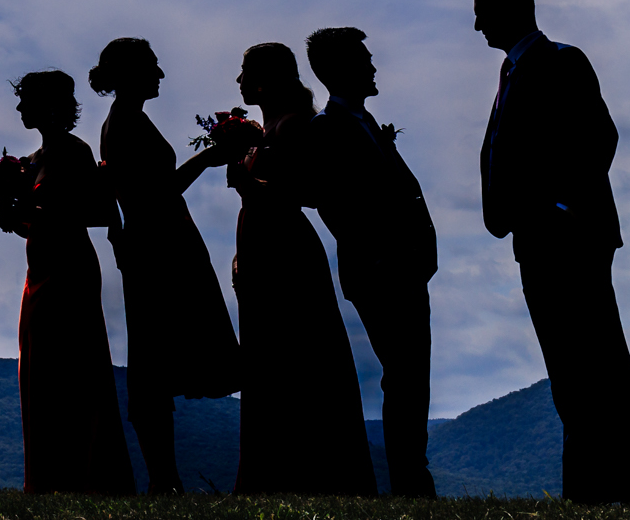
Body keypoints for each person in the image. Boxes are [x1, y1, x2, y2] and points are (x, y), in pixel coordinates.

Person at [474, 0, 630, 503]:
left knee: (593, 362)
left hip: (568, 237)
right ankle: (596, 486)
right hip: (535, 239)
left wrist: (564, 207)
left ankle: (624, 486)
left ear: (512, 10)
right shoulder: (510, 71)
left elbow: (598, 135)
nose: (476, 26)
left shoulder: (562, 60)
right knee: (570, 369)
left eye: (482, 13)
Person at [90, 37, 239, 494]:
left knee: (157, 355)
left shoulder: (130, 119)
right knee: (153, 359)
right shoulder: (124, 124)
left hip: (163, 242)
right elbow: (153, 194)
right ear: (130, 72)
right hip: (157, 246)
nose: (160, 74)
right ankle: (163, 478)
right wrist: (208, 158)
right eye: (153, 66)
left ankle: (164, 477)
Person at [227, 42, 376, 497]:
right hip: (261, 251)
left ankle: (307, 473)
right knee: (268, 362)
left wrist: (248, 180)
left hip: (285, 253)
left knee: (296, 358)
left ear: (266, 80)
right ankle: (274, 472)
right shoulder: (268, 128)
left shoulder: (298, 126)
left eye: (245, 72)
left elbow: (306, 191)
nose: (238, 82)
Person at [305, 26, 438, 498]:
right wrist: (381, 258)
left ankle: (412, 475)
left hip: (404, 266)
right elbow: (333, 203)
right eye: (365, 58)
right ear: (341, 68)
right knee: (403, 373)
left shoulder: (364, 121)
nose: (374, 66)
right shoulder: (328, 128)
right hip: (381, 271)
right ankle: (410, 480)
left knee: (412, 373)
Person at [4, 70, 134, 496]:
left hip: (70, 270)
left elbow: (97, 210)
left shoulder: (74, 152)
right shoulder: (36, 158)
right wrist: (16, 219)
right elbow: (39, 222)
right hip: (38, 269)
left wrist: (35, 214)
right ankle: (49, 476)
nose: (21, 108)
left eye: (27, 101)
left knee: (72, 370)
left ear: (50, 106)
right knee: (40, 370)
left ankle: (86, 475)